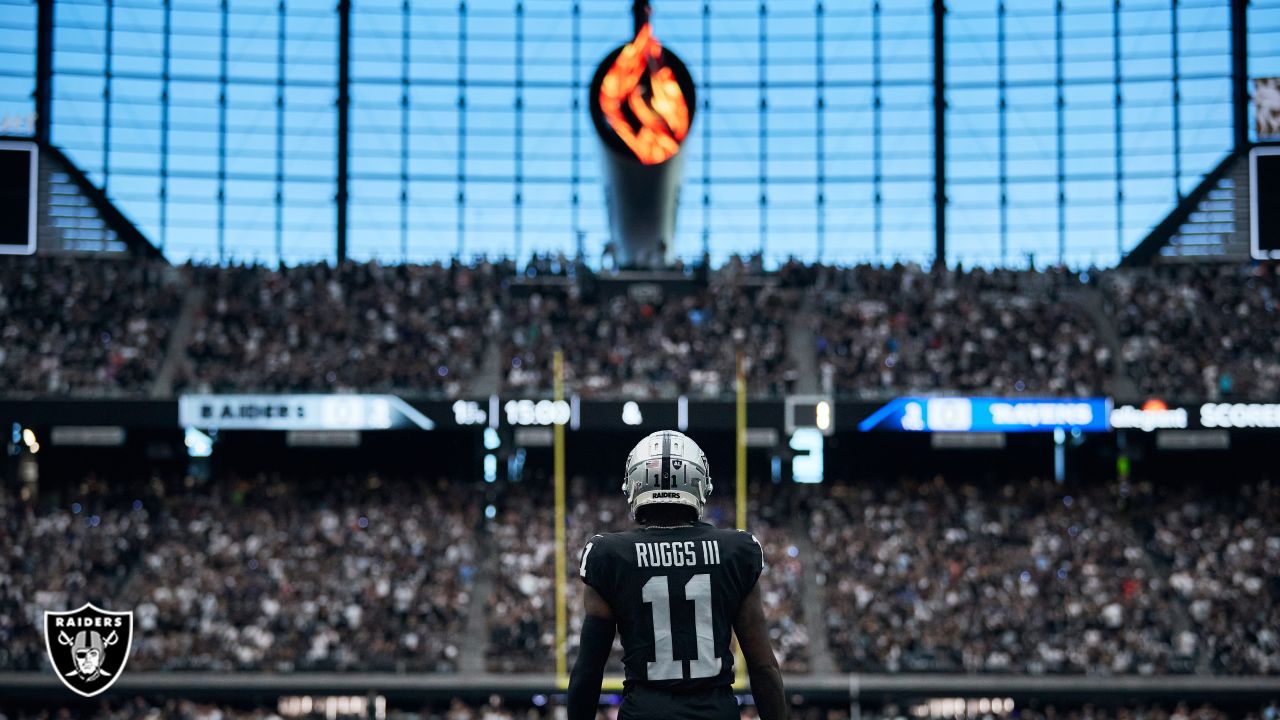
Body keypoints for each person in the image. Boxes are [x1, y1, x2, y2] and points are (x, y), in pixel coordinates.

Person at [567, 431, 787, 720]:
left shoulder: (609, 555)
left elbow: (588, 671)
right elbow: (763, 666)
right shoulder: (735, 551)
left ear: (635, 485)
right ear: (699, 485)